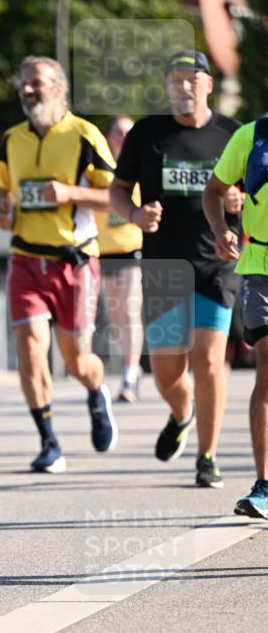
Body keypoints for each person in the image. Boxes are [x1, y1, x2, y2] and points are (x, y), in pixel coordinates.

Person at [110, 50, 243, 489]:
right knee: (168, 371)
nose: (182, 87)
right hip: (165, 266)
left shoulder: (231, 133)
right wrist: (133, 216)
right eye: (174, 80)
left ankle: (208, 455)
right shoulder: (148, 134)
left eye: (191, 79)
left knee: (208, 360)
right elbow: (119, 190)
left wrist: (240, 204)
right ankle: (181, 413)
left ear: (208, 83)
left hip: (216, 263)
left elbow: (255, 191)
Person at [0, 55, 118, 474]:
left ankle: (96, 392)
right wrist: (2, 209)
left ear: (59, 88)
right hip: (26, 258)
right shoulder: (11, 138)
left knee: (75, 359)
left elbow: (117, 198)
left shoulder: (85, 135)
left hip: (75, 261)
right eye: (23, 84)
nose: (28, 90)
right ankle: (48, 442)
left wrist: (68, 192)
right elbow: (3, 201)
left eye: (37, 83)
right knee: (30, 348)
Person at [203, 115, 268, 517]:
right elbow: (214, 190)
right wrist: (221, 228)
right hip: (260, 264)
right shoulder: (251, 136)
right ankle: (265, 484)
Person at [96, 115, 144, 403]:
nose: (123, 137)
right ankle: (131, 370)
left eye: (128, 132)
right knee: (116, 316)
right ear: (109, 135)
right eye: (118, 132)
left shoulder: (139, 166)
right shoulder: (100, 168)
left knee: (129, 310)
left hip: (131, 247)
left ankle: (129, 373)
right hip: (103, 250)